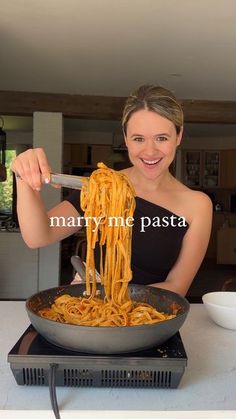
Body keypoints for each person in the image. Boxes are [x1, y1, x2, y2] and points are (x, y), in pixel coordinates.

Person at [11, 84, 212, 296]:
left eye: (162, 138)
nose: (150, 151)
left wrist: (109, 298)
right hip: (90, 312)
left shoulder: (197, 205)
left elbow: (177, 286)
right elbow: (39, 236)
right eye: (138, 139)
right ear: (126, 138)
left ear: (178, 137)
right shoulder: (103, 185)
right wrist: (23, 177)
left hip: (150, 320)